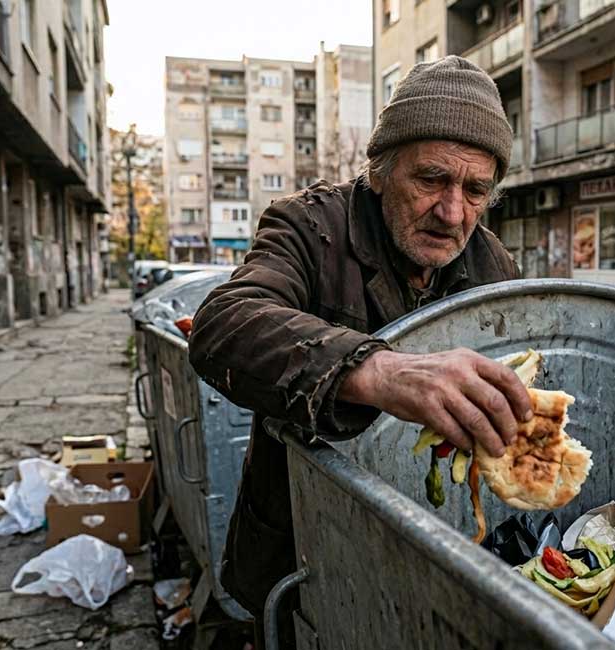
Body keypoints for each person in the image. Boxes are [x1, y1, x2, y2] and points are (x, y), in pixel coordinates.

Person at [188, 55, 532, 646]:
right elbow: (224, 322)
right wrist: (378, 370)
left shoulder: (492, 262)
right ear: (379, 170)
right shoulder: (310, 225)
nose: (452, 213)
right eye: (430, 180)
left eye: (475, 190)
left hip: (436, 545)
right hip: (308, 555)